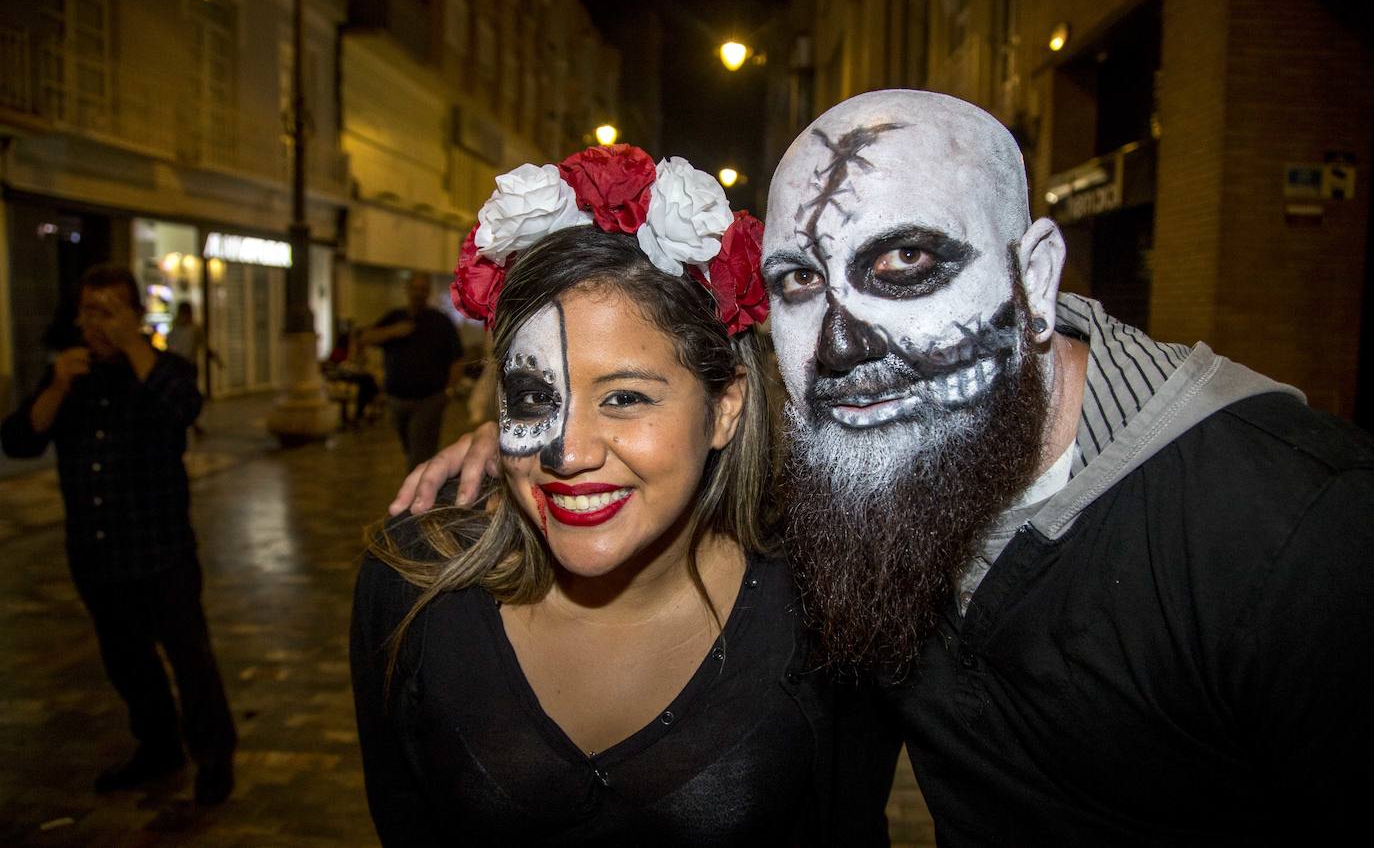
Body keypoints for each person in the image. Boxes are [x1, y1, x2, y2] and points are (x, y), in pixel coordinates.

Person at [391, 92, 1374, 842]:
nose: (845, 339)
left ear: (1034, 279)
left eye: (905, 264)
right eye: (803, 281)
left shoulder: (1304, 538)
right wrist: (538, 426)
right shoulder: (849, 481)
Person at [350, 147, 894, 845]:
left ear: (726, 406)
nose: (567, 454)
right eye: (533, 399)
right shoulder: (410, 588)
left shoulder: (827, 607)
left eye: (626, 397)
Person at [1, 264, 237, 805]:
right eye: (87, 311)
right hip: (97, 554)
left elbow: (184, 409)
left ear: (132, 316)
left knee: (190, 658)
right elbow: (19, 442)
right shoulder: (69, 375)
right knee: (128, 662)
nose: (94, 323)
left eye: (107, 311)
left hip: (161, 552)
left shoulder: (165, 369)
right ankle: (157, 748)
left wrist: (135, 348)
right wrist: (57, 385)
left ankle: (213, 756)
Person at [360, 272, 464, 470]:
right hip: (398, 399)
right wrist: (393, 332)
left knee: (420, 456)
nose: (418, 293)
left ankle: (418, 496)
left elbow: (457, 360)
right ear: (407, 290)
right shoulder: (395, 318)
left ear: (428, 292)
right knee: (410, 449)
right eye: (415, 288)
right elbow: (365, 337)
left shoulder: (440, 321)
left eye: (423, 289)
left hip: (429, 399)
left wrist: (448, 392)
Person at [165, 300, 218, 435]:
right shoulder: (174, 329)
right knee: (181, 397)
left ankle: (191, 423)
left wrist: (216, 359)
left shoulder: (194, 329)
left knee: (187, 396)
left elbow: (205, 347)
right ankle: (191, 424)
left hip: (188, 367)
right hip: (177, 367)